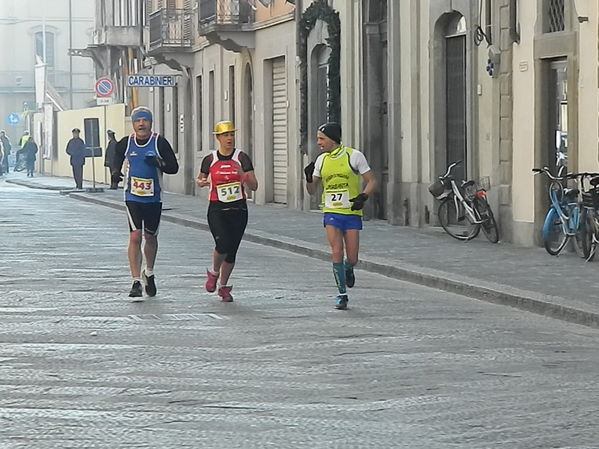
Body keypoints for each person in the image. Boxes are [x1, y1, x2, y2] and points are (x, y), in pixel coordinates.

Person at [304, 122, 377, 310]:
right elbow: (312, 191)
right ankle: (341, 294)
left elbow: (372, 181)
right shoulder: (321, 160)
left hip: (351, 212)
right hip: (331, 212)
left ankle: (348, 268)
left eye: (321, 138)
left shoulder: (353, 156)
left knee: (352, 257)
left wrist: (363, 196)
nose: (318, 142)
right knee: (337, 250)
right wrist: (308, 178)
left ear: (332, 139)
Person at [112, 106, 179, 300]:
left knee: (150, 237)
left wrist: (158, 163)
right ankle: (135, 281)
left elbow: (173, 168)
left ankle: (148, 272)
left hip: (154, 198)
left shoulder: (159, 142)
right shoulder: (126, 142)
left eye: (145, 120)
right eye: (138, 120)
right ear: (133, 124)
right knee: (135, 236)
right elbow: (115, 159)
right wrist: (115, 172)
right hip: (132, 196)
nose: (141, 124)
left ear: (150, 123)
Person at [196, 120, 258, 302]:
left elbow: (254, 186)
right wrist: (201, 182)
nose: (229, 138)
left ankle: (223, 286)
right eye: (225, 135)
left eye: (232, 134)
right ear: (218, 138)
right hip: (217, 209)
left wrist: (243, 175)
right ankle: (214, 273)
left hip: (238, 209)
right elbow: (200, 179)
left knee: (231, 251)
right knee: (222, 244)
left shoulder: (242, 158)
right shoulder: (210, 159)